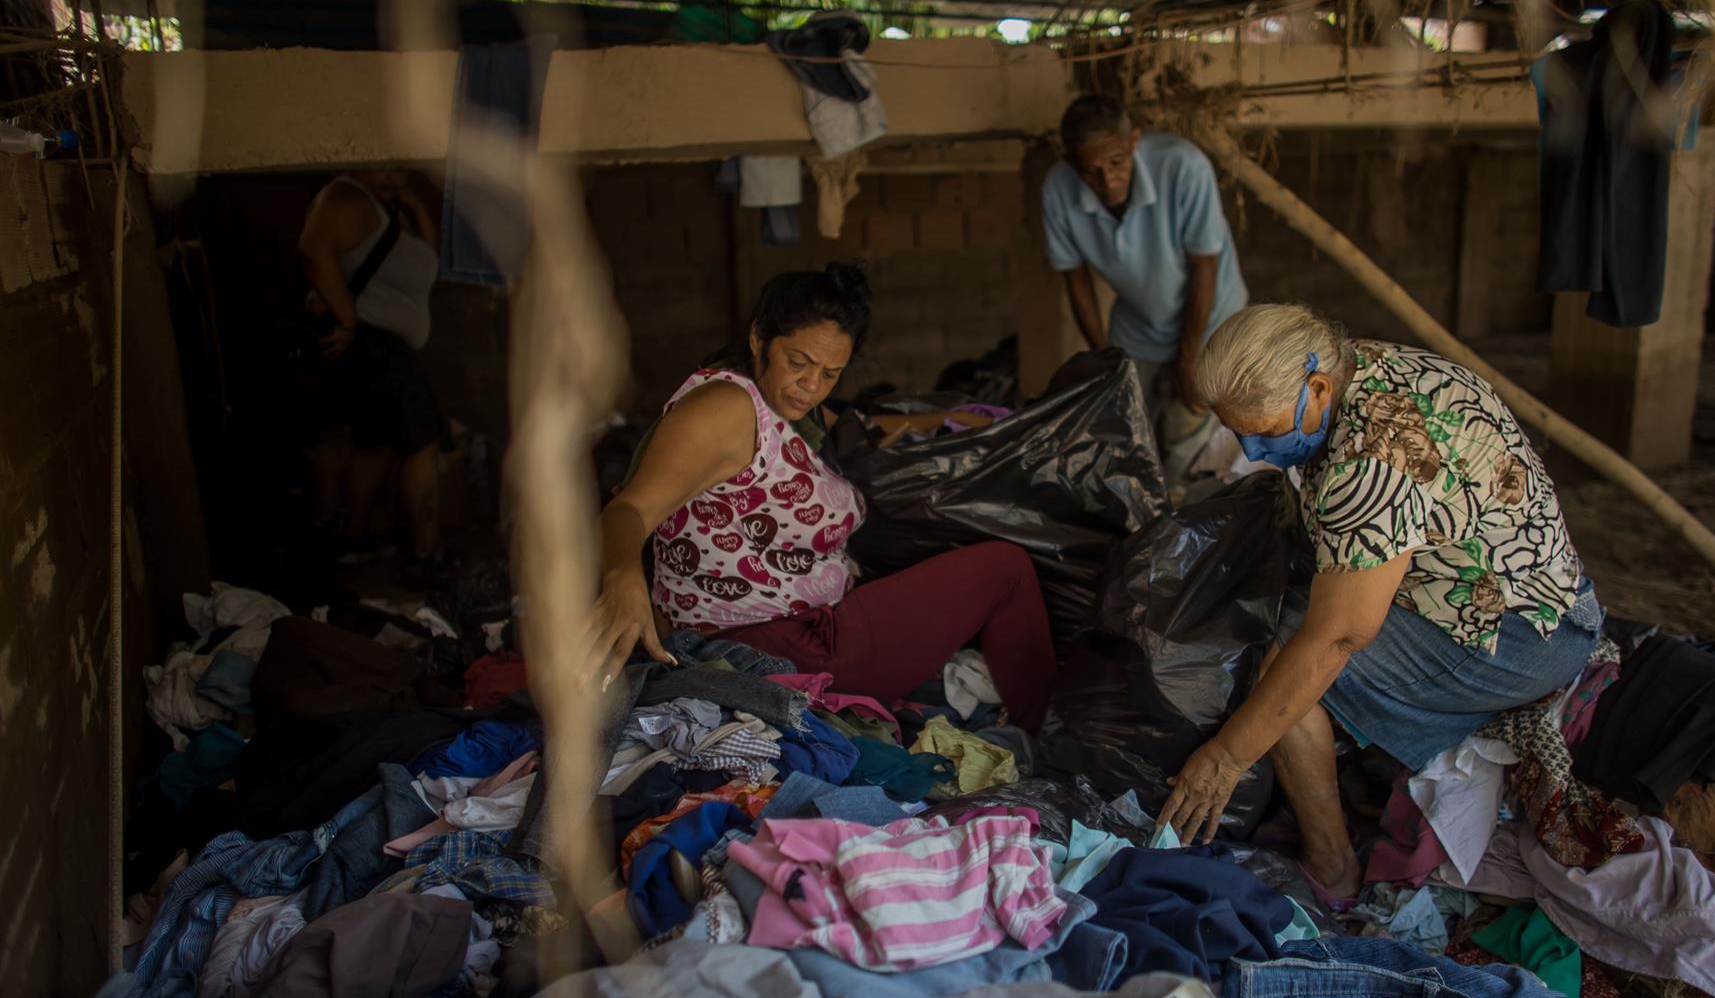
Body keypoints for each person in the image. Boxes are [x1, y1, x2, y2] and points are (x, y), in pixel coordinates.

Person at [1156, 304, 1604, 897]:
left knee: (1288, 658)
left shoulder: (1371, 462)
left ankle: (1332, 867)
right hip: (1538, 593)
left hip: (1518, 637)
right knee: (1287, 615)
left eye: (1263, 432)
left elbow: (1340, 636)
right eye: (1239, 432)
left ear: (1316, 387)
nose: (1254, 451)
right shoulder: (1362, 364)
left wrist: (1226, 758)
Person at [582, 262, 1056, 731]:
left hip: (804, 631)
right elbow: (627, 510)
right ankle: (1045, 738)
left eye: (831, 373)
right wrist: (622, 578)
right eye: (798, 362)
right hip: (773, 653)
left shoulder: (784, 406)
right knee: (1006, 569)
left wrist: (943, 422)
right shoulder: (723, 409)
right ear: (758, 340)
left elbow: (851, 431)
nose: (811, 386)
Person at [1041, 94, 1248, 462]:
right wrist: (1106, 359)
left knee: (1190, 435)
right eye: (1091, 171)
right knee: (1125, 433)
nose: (1107, 181)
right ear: (1072, 163)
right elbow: (1075, 278)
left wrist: (1189, 358)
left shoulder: (1184, 167)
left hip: (1210, 321)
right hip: (1138, 327)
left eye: (1117, 163)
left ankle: (1179, 505)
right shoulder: (1057, 189)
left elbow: (1205, 266)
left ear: (1134, 141)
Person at [297, 167, 445, 564]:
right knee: (422, 444)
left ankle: (353, 538)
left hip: (384, 348)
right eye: (386, 167)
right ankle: (427, 557)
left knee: (375, 444)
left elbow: (429, 261)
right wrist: (346, 316)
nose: (394, 177)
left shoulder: (387, 212)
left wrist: (412, 204)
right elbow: (312, 247)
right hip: (374, 348)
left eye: (402, 170)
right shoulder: (345, 198)